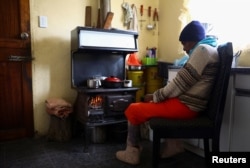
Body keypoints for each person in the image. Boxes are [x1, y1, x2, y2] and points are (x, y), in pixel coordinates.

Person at [115, 20, 220, 165]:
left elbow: (180, 84)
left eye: (185, 43)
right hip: (190, 105)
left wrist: (156, 96)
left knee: (133, 109)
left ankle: (131, 153)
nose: (184, 48)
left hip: (186, 107)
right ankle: (173, 146)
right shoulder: (210, 49)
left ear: (192, 40)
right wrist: (158, 97)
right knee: (152, 103)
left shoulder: (202, 50)